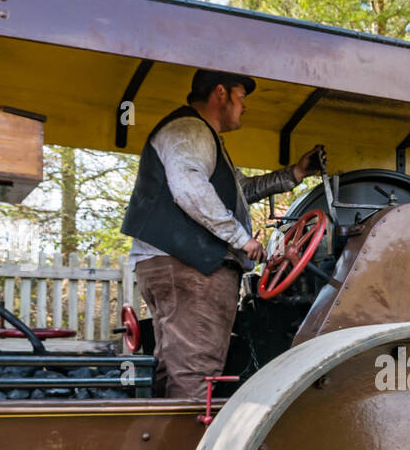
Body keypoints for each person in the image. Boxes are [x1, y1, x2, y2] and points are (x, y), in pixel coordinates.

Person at [121, 68, 324, 398]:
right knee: (196, 375)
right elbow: (189, 190)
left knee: (171, 367)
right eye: (241, 98)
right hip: (193, 269)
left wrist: (296, 173)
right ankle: (189, 449)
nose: (244, 107)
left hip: (173, 266)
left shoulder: (201, 137)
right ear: (220, 93)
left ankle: (162, 443)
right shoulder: (190, 130)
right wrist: (243, 240)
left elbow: (241, 189)